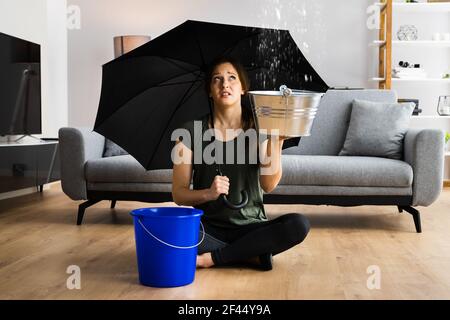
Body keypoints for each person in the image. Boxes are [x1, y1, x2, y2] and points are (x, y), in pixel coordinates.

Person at [172, 57, 310, 271]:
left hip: (251, 227)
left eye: (232, 78)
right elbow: (178, 194)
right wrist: (208, 194)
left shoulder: (262, 127)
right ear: (210, 90)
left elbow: (268, 185)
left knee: (298, 224)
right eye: (217, 79)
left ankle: (213, 258)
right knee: (172, 231)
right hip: (207, 229)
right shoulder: (188, 131)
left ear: (244, 88)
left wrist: (276, 141)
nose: (224, 84)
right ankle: (248, 253)